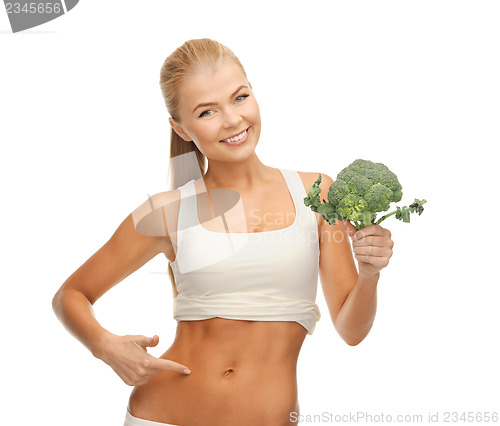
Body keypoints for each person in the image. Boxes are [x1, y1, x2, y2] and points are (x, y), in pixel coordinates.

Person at [52, 38, 394, 426]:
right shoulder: (168, 211)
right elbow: (70, 294)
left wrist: (369, 275)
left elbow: (351, 331)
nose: (232, 120)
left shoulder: (317, 194)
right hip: (161, 416)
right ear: (179, 128)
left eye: (240, 97)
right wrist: (104, 346)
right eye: (207, 111)